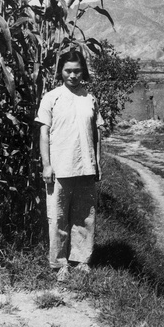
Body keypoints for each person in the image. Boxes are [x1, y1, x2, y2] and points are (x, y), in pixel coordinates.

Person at [35, 49, 104, 281]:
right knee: (58, 216)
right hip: (60, 167)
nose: (73, 75)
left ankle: (81, 259)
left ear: (83, 70)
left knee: (85, 216)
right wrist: (46, 165)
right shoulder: (51, 98)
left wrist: (98, 162)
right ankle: (60, 263)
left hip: (86, 166)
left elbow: (97, 133)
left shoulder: (90, 99)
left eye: (77, 70)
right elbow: (43, 133)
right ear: (60, 72)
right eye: (68, 71)